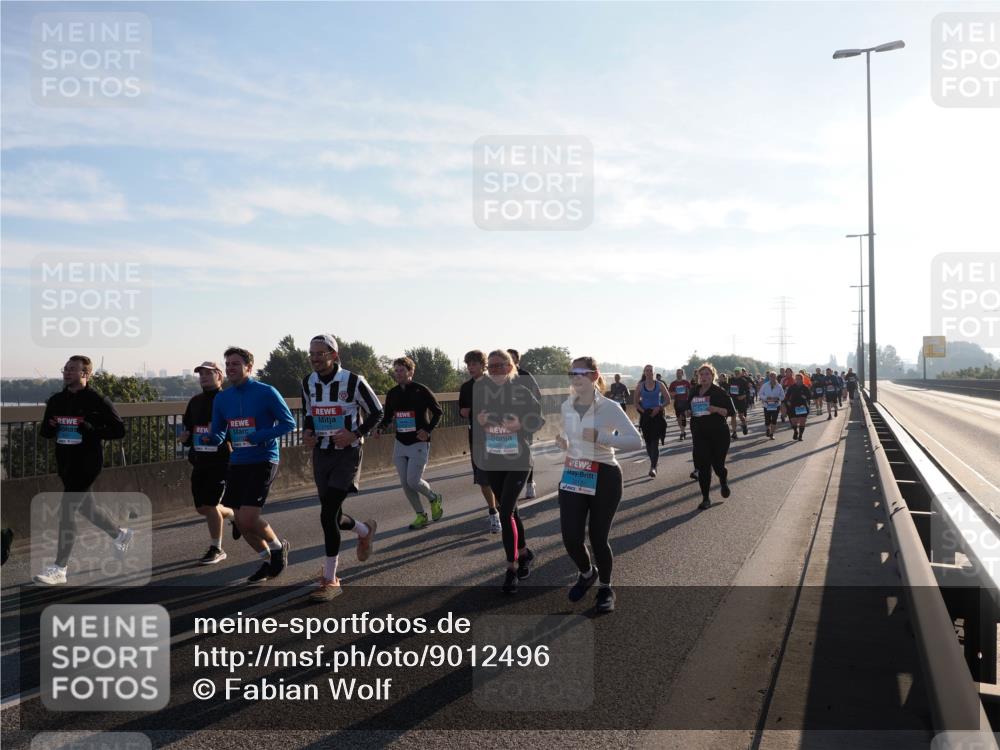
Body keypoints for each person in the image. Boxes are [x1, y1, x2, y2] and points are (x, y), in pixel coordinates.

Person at [33, 356, 134, 585]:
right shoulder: (56, 400)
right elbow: (45, 433)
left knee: (67, 510)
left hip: (88, 463)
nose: (67, 373)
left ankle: (60, 567)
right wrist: (50, 427)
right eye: (65, 369)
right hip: (65, 462)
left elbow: (118, 430)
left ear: (85, 374)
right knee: (87, 508)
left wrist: (90, 428)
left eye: (72, 370)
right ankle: (119, 534)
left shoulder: (97, 400)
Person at [556, 357, 642, 614]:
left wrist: (601, 437)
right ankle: (586, 573)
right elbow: (575, 439)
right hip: (574, 472)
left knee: (597, 537)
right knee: (571, 538)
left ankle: (605, 588)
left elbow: (634, 442)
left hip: (605, 474)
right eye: (571, 373)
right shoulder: (566, 406)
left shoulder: (610, 407)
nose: (575, 377)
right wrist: (565, 443)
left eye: (580, 372)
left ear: (594, 376)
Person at [301, 334, 382, 601]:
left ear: (334, 355)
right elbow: (309, 412)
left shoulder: (353, 381)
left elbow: (377, 412)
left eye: (320, 353)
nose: (314, 358)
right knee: (332, 515)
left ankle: (331, 579)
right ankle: (364, 530)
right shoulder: (308, 382)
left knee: (327, 516)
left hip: (347, 453)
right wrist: (308, 433)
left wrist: (355, 433)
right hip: (321, 454)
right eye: (311, 354)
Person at [205, 347, 295, 584]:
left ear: (248, 367)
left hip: (264, 458)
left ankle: (277, 548)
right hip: (238, 461)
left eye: (235, 363)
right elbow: (220, 431)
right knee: (240, 521)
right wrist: (209, 438)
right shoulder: (222, 398)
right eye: (228, 364)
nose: (230, 368)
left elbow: (289, 423)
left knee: (247, 519)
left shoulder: (266, 392)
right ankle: (268, 558)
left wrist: (262, 435)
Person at [473, 350, 543, 593]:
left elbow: (539, 420)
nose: (494, 370)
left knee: (505, 514)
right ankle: (524, 553)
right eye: (490, 367)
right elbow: (480, 421)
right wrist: (481, 422)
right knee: (511, 512)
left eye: (499, 366)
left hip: (518, 460)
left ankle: (511, 568)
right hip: (494, 460)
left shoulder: (521, 391)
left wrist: (521, 424)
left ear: (510, 366)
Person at [179, 361, 235, 565]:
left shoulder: (227, 399)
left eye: (208, 373)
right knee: (202, 508)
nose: (203, 377)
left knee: (210, 505)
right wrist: (185, 438)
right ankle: (231, 514)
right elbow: (188, 429)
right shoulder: (195, 401)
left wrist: (220, 434)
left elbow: (236, 428)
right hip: (199, 460)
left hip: (220, 460)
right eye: (200, 374)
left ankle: (216, 548)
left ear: (219, 376)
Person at [379, 356, 444, 530]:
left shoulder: (421, 390)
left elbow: (438, 412)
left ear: (410, 372)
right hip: (400, 442)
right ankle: (420, 515)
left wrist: (428, 430)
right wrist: (380, 428)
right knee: (405, 483)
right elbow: (387, 417)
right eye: (396, 371)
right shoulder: (392, 393)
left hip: (419, 441)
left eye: (401, 370)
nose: (398, 374)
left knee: (413, 480)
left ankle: (433, 498)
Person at [459, 350, 501, 533]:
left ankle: (502, 509)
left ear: (483, 365)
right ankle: (493, 512)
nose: (470, 368)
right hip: (477, 438)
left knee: (498, 478)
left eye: (474, 364)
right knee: (483, 479)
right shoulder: (466, 387)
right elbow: (462, 411)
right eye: (468, 364)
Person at [685, 364, 736, 510]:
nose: (704, 377)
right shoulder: (694, 391)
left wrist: (715, 409)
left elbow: (730, 411)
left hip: (719, 434)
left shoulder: (719, 392)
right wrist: (688, 412)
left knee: (718, 465)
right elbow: (688, 408)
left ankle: (723, 480)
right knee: (703, 467)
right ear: (698, 377)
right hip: (700, 434)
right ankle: (706, 498)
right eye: (701, 375)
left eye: (707, 374)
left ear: (712, 376)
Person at [507, 349, 542, 500]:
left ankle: (529, 483)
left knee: (525, 452)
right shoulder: (500, 377)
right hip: (505, 423)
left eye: (512, 359)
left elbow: (537, 395)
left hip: (523, 422)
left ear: (517, 361)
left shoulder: (525, 375)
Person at [633, 365, 669, 477]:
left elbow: (668, 400)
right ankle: (654, 461)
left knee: (655, 442)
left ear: (653, 372)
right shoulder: (640, 386)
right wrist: (644, 412)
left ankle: (653, 467)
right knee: (648, 442)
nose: (649, 372)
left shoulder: (659, 384)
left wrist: (659, 407)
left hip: (657, 415)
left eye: (650, 371)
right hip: (646, 416)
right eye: (647, 371)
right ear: (644, 372)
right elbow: (635, 403)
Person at [784, 372, 812, 441]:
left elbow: (809, 396)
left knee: (802, 421)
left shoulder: (805, 387)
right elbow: (787, 396)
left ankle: (800, 436)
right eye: (796, 379)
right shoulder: (792, 387)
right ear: (795, 380)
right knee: (794, 422)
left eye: (799, 379)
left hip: (802, 406)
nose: (798, 380)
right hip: (793, 406)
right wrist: (787, 402)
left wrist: (805, 397)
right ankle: (795, 431)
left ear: (802, 380)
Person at [758, 371, 785, 440]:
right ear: (769, 377)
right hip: (767, 405)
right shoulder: (765, 385)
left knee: (774, 420)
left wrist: (778, 398)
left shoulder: (779, 386)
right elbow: (760, 394)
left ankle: (772, 434)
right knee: (767, 420)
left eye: (774, 376)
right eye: (771, 376)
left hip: (776, 406)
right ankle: (767, 429)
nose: (772, 378)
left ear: (776, 377)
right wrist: (766, 398)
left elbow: (783, 396)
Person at [668, 368, 692, 440]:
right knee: (678, 418)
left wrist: (689, 400)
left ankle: (682, 432)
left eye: (680, 373)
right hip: (677, 402)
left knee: (683, 416)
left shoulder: (686, 382)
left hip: (685, 401)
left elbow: (690, 392)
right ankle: (682, 431)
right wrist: (674, 393)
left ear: (682, 374)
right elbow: (669, 393)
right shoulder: (673, 383)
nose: (678, 374)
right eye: (677, 373)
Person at [728, 369, 750, 437]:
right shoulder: (731, 379)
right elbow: (728, 388)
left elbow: (747, 392)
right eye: (735, 372)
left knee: (741, 416)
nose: (737, 373)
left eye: (738, 372)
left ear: (741, 373)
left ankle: (744, 424)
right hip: (733, 400)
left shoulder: (744, 380)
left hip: (741, 400)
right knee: (733, 415)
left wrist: (743, 396)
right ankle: (734, 432)